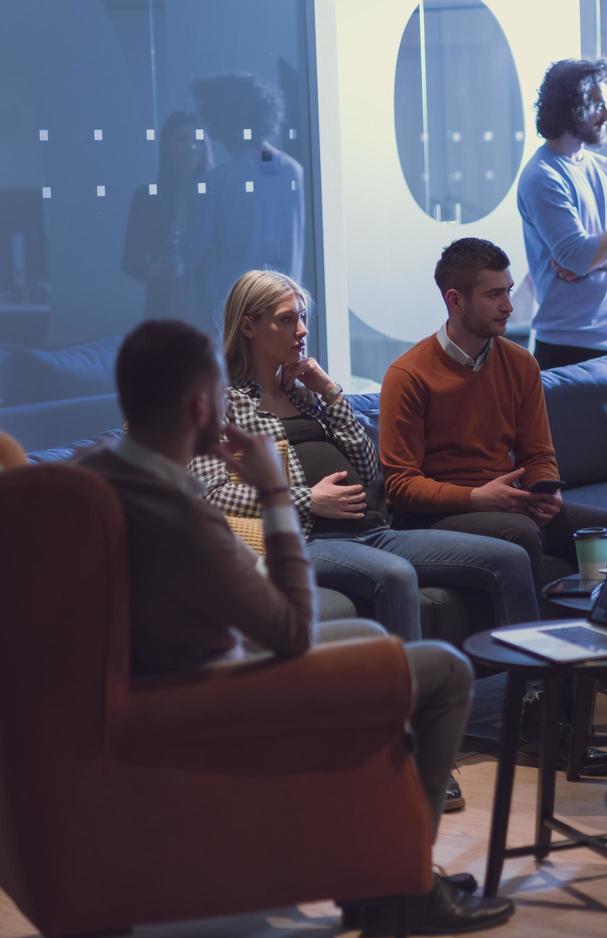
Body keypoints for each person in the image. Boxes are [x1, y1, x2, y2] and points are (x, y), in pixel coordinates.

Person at [79, 319, 514, 936]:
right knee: (444, 669)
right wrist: (278, 496)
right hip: (207, 696)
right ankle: (408, 884)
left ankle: (377, 871)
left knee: (373, 643)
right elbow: (291, 630)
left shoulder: (89, 477)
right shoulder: (177, 506)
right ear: (202, 405)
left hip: (153, 677)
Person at [191, 269, 541, 811]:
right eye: (288, 320)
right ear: (251, 327)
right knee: (396, 578)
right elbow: (213, 493)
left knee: (510, 558)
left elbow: (370, 466)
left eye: (303, 317)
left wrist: (329, 392)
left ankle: (538, 714)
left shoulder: (306, 397)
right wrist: (309, 502)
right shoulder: (221, 406)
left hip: (373, 531)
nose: (302, 330)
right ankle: (412, 748)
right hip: (308, 540)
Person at [381, 237, 607, 772]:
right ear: (455, 301)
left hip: (509, 503)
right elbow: (401, 487)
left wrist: (547, 491)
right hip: (440, 513)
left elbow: (539, 453)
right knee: (518, 538)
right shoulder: (409, 375)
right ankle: (539, 715)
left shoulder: (520, 364)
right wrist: (478, 496)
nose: (509, 305)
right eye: (495, 295)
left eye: (508, 292)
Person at [517, 58, 607, 377]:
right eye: (598, 105)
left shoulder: (606, 170)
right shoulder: (542, 176)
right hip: (567, 347)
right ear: (572, 106)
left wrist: (595, 257)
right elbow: (580, 255)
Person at [189, 72, 305, 337]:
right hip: (283, 303)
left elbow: (197, 251)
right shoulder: (291, 170)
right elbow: (293, 246)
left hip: (231, 308)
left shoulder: (218, 179)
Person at [121, 110, 209, 325]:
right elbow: (129, 260)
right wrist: (152, 269)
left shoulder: (215, 196)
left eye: (197, 141)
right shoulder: (147, 197)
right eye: (182, 139)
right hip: (164, 306)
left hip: (208, 308)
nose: (191, 148)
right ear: (167, 146)